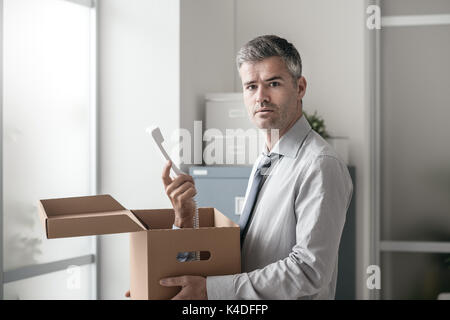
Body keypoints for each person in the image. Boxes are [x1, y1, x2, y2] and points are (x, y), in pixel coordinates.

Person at [126, 34, 353, 300]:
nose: (261, 97)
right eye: (251, 86)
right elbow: (246, 254)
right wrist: (185, 220)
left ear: (300, 87)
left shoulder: (319, 165)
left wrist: (211, 290)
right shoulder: (266, 160)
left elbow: (308, 270)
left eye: (274, 83)